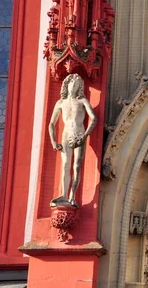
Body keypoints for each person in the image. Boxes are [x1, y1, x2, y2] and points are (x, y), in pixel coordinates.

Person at [49, 73, 97, 207]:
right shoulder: (60, 102)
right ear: (67, 85)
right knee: (65, 165)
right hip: (66, 134)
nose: (73, 86)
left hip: (79, 134)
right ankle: (64, 195)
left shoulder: (82, 101)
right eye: (72, 83)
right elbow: (51, 124)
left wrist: (84, 136)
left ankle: (72, 196)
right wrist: (53, 141)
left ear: (80, 87)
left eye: (77, 84)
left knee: (76, 166)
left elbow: (94, 118)